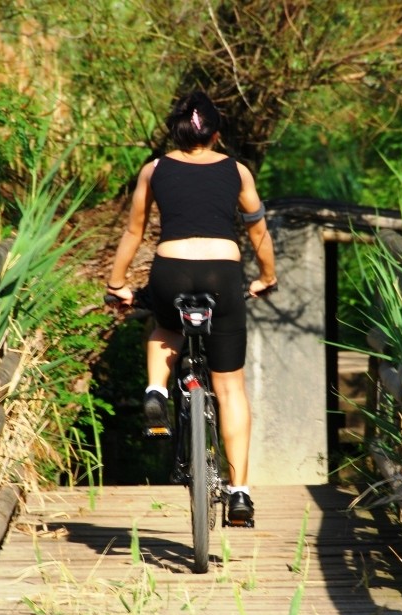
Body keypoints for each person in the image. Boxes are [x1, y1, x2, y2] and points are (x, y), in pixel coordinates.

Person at [106, 91, 277, 526]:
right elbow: (258, 232)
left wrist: (117, 284)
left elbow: (133, 231)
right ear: (216, 133)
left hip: (172, 270)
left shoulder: (154, 169)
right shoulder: (238, 171)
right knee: (230, 387)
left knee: (165, 327)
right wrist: (266, 277)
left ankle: (156, 391)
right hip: (222, 273)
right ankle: (239, 494)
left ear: (175, 131)